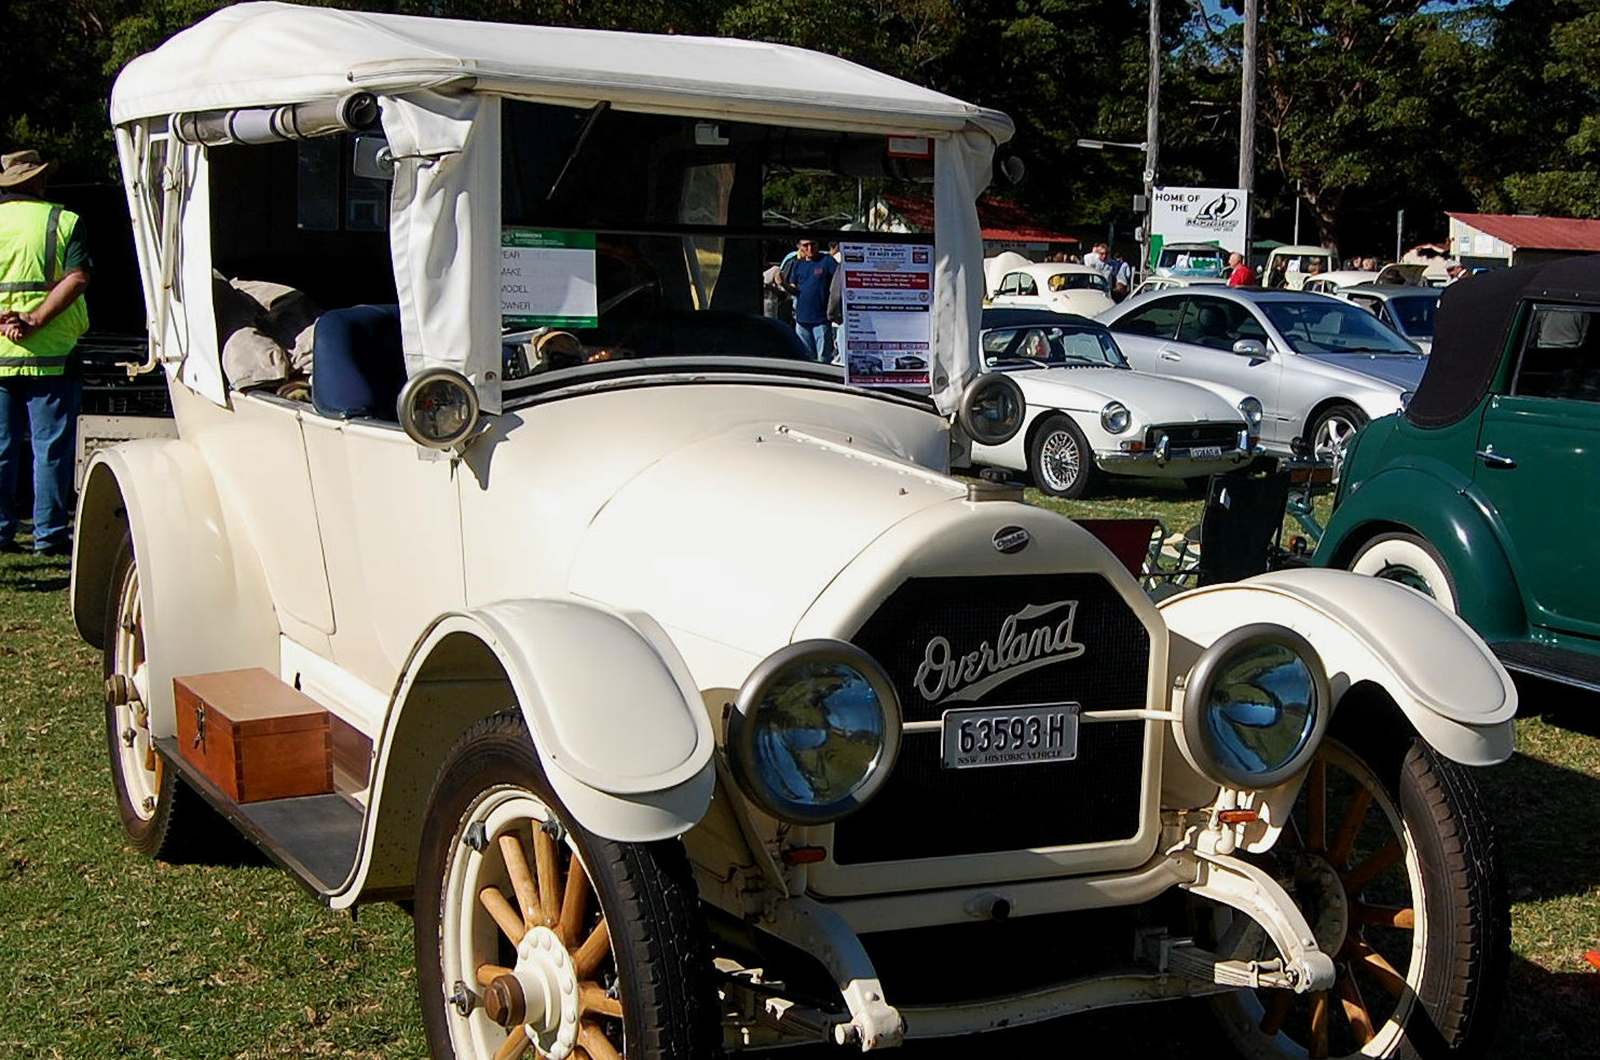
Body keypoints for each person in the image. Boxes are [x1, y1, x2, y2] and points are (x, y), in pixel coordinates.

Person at [0, 150, 90, 555]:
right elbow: (77, 279)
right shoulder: (64, 221)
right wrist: (34, 320)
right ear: (37, 182)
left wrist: (7, 320)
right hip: (52, 352)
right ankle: (49, 536)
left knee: (1, 449)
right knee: (50, 450)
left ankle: (2, 532)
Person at [781, 237, 837, 362]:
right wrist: (783, 284)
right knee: (805, 359)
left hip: (821, 319)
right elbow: (794, 290)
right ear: (799, 247)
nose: (810, 248)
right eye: (805, 245)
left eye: (813, 244)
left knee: (823, 359)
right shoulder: (797, 264)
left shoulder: (827, 261)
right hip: (802, 320)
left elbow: (839, 282)